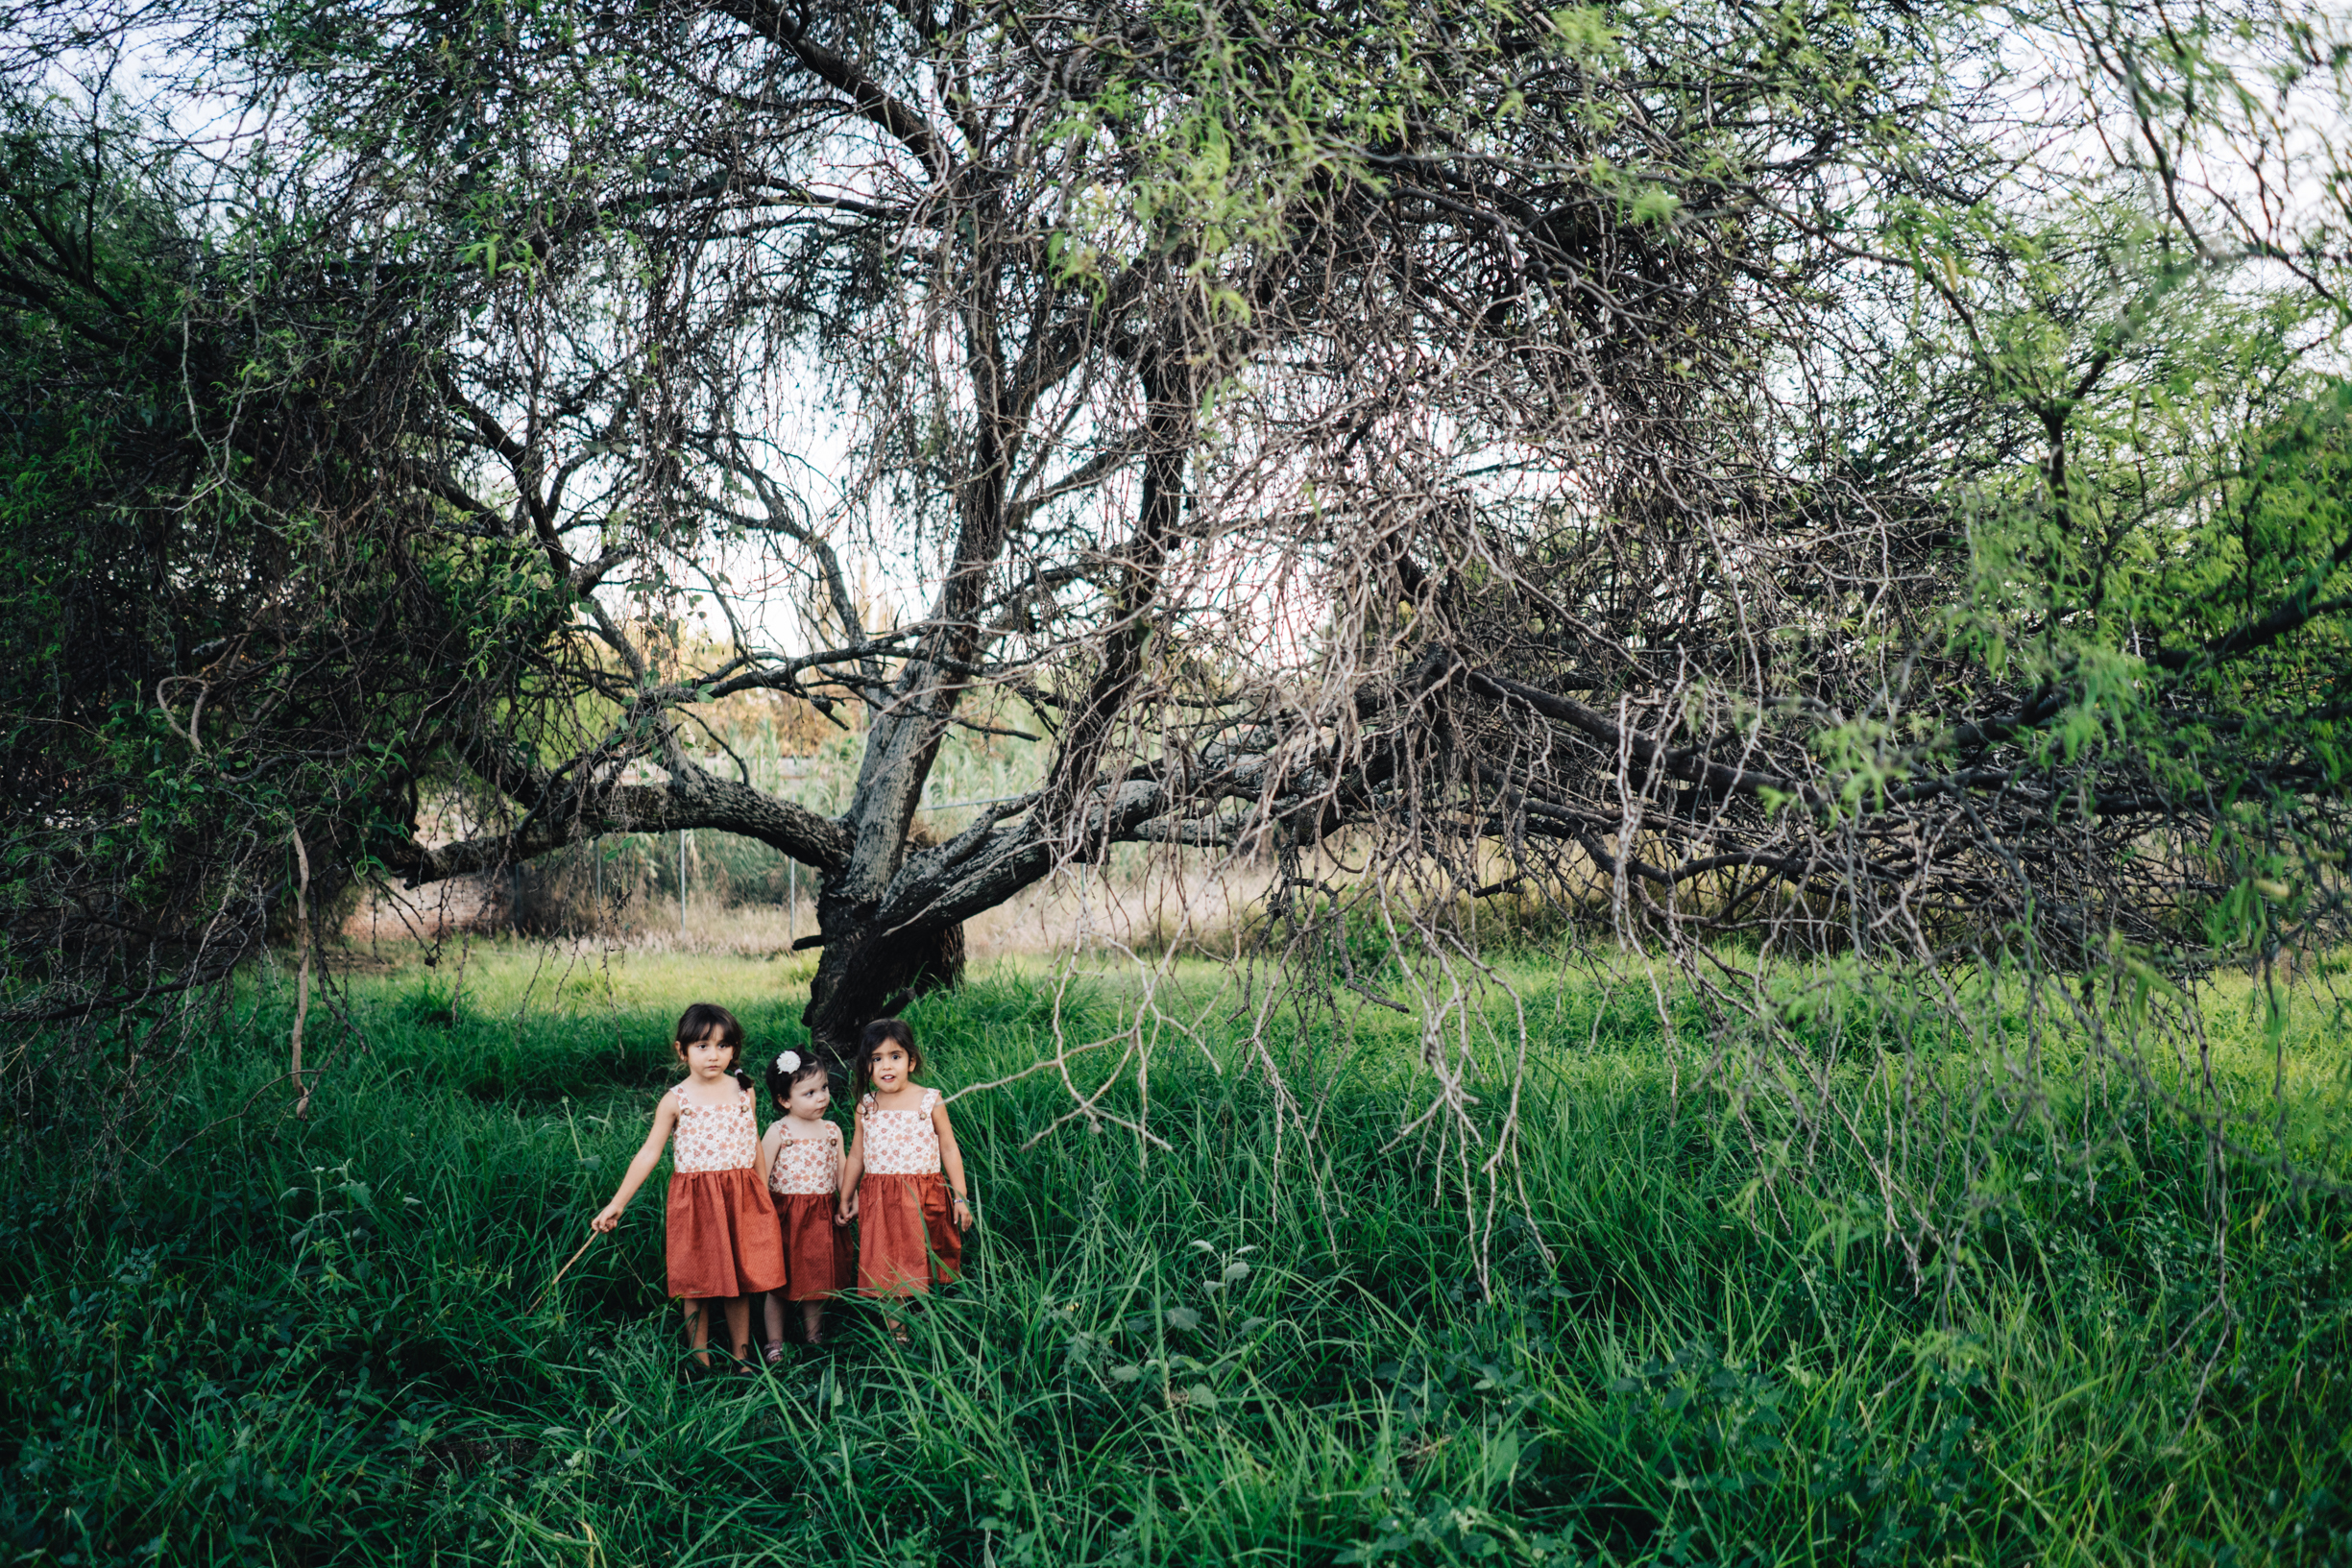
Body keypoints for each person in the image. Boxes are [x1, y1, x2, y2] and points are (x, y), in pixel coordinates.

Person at [592, 1002, 785, 1370]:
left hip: (741, 1196)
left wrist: (763, 1192)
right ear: (682, 1051)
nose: (714, 1055)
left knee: (739, 1279)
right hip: (696, 1201)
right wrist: (617, 1203)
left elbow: (753, 1142)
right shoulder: (675, 1100)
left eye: (724, 1046)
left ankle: (742, 1355)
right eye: (702, 1046)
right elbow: (649, 1153)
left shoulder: (744, 1090)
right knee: (696, 1280)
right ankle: (700, 1361)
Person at [837, 1017, 973, 1338]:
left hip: (924, 1196)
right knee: (885, 1264)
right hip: (881, 1200)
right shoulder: (866, 1106)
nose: (887, 1066)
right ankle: (898, 1333)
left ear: (911, 1061)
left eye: (895, 1056)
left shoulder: (930, 1100)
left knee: (925, 1257)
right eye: (877, 1058)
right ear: (866, 1066)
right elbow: (857, 1154)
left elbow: (950, 1149)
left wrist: (960, 1196)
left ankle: (932, 1324)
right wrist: (846, 1195)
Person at [757, 1048, 851, 1359]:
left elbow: (842, 1171)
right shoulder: (779, 1131)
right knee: (779, 1282)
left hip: (821, 1216)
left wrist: (847, 1201)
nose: (821, 1097)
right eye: (809, 1092)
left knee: (816, 1277)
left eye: (823, 1088)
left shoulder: (832, 1130)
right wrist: (761, 1216)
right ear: (785, 1100)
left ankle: (814, 1335)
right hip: (786, 1216)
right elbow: (760, 1176)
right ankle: (774, 1341)